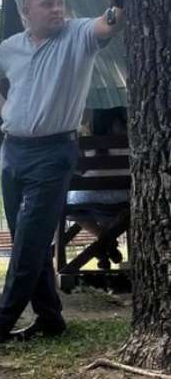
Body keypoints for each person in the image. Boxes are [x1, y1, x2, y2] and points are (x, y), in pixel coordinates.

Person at [0, 0, 125, 346]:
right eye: (47, 4)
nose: (57, 9)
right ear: (27, 13)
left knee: (29, 241)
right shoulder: (11, 47)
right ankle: (50, 318)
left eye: (59, 2)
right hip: (13, 152)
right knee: (27, 239)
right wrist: (4, 108)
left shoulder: (79, 34)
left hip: (54, 153)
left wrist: (120, 3)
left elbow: (109, 24)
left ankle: (0, 323)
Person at [66, 107, 128, 269]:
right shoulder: (131, 140)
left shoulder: (84, 142)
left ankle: (104, 240)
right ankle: (105, 243)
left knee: (72, 207)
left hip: (88, 198)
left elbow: (75, 170)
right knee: (116, 210)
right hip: (124, 198)